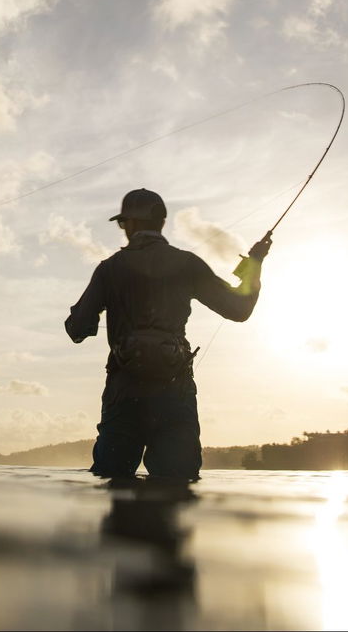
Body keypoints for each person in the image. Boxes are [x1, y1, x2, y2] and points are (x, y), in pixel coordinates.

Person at [65, 188, 270, 481]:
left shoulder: (109, 269)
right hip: (175, 389)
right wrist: (255, 264)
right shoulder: (187, 264)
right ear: (161, 222)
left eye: (123, 223)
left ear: (131, 225)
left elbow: (77, 330)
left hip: (124, 391)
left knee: (112, 480)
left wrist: (83, 312)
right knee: (178, 484)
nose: (124, 229)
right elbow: (239, 310)